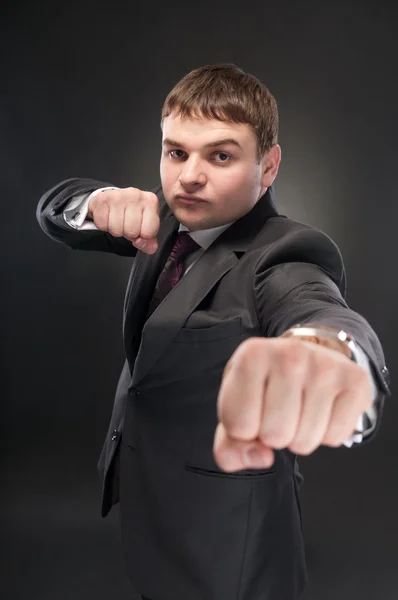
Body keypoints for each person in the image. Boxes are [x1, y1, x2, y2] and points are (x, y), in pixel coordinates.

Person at [36, 63, 391, 600]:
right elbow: (55, 208)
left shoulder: (285, 255)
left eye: (220, 156)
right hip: (153, 508)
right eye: (176, 152)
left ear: (268, 167)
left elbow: (316, 308)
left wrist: (330, 354)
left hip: (232, 545)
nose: (189, 176)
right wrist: (97, 201)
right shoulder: (165, 219)